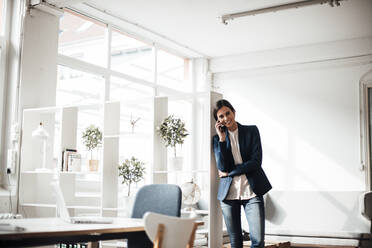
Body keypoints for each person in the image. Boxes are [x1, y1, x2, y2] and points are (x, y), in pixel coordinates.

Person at [213, 99, 272, 248]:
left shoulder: (252, 131)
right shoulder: (217, 139)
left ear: (234, 112)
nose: (226, 118)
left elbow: (256, 162)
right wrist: (221, 139)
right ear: (218, 121)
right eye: (221, 117)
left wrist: (230, 172)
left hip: (252, 191)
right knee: (235, 242)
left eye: (228, 113)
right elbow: (222, 166)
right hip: (228, 194)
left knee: (257, 241)